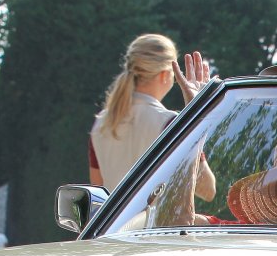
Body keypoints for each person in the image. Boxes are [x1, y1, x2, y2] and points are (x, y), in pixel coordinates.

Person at [89, 33, 217, 201]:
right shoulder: (168, 123)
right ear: (164, 74)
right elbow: (207, 190)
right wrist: (196, 117)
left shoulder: (101, 123)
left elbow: (98, 194)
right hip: (155, 219)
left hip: (117, 219)